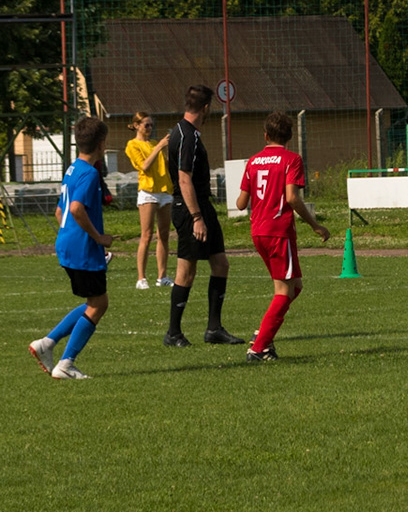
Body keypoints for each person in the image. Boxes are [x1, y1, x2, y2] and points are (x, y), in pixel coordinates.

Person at [235, 111, 331, 362]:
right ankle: (259, 348)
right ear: (289, 137)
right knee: (283, 291)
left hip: (258, 231)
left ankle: (263, 334)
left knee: (295, 286)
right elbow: (291, 197)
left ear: (265, 135)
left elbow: (241, 202)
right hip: (278, 232)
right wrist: (315, 225)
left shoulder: (253, 161)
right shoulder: (291, 160)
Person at [28, 117, 114, 380]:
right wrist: (98, 238)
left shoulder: (72, 169)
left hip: (66, 245)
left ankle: (47, 343)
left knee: (94, 302)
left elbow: (59, 211)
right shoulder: (90, 173)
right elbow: (75, 209)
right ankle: (65, 364)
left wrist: (71, 235)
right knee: (99, 304)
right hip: (83, 249)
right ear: (101, 144)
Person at [164, 84, 245, 347]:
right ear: (207, 108)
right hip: (191, 208)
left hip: (202, 206)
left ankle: (214, 329)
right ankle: (173, 333)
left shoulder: (182, 132)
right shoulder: (187, 136)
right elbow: (183, 179)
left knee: (220, 263)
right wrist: (196, 217)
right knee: (186, 270)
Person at [124, 112, 175, 290]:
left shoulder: (154, 144)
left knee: (164, 235)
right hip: (148, 191)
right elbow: (144, 166)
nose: (149, 128)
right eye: (146, 125)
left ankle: (162, 276)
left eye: (151, 125)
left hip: (164, 190)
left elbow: (164, 164)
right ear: (136, 125)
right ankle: (141, 278)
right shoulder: (132, 145)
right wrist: (159, 146)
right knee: (146, 235)